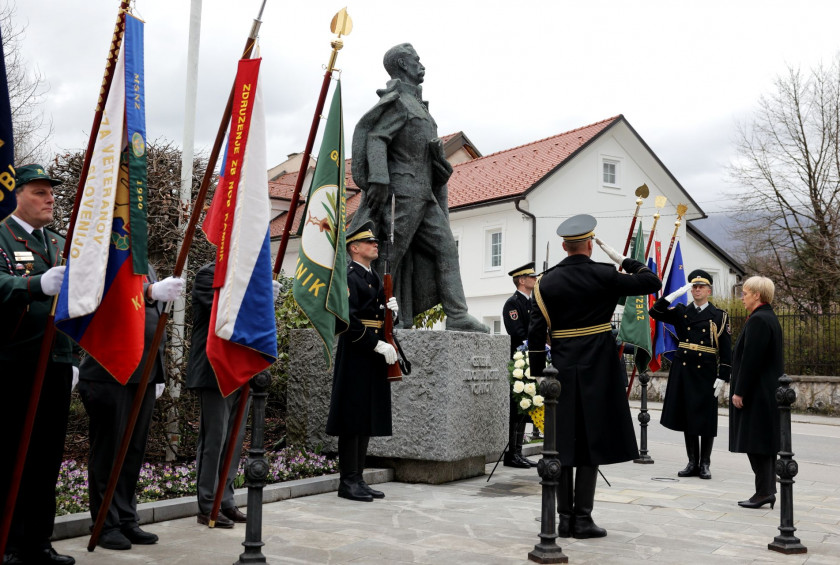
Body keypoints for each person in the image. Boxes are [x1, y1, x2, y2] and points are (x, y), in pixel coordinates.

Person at [528, 214, 661, 539]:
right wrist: (626, 260)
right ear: (589, 244)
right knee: (591, 441)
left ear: (563, 245)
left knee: (560, 444)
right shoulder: (605, 274)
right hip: (599, 366)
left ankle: (563, 519)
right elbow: (652, 282)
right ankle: (582, 518)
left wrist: (537, 375)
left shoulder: (545, 282)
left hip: (560, 369)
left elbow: (535, 330)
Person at [349, 43, 486, 332]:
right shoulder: (399, 101)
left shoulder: (419, 106)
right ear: (402, 64)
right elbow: (376, 137)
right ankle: (375, 312)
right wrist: (380, 179)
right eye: (416, 60)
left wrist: (439, 166)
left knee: (446, 248)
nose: (421, 64)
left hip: (424, 194)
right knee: (389, 255)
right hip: (402, 192)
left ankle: (458, 315)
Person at [77, 266, 184, 550]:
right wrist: (150, 291)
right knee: (109, 452)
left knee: (133, 451)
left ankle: (125, 517)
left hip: (144, 373)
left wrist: (157, 371)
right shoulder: (106, 252)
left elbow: (150, 319)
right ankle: (105, 523)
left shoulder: (143, 263)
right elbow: (105, 297)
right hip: (109, 371)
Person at [0, 164, 75, 565]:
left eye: (51, 193)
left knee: (47, 457)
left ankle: (38, 543)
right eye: (40, 192)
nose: (50, 199)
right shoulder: (1, 236)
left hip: (55, 362)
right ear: (17, 195)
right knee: (13, 454)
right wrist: (33, 284)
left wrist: (72, 356)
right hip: (14, 363)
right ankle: (8, 543)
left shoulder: (60, 243)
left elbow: (79, 304)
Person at [187, 262, 278, 528]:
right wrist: (259, 296)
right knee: (214, 440)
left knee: (235, 441)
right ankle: (207, 504)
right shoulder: (208, 274)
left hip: (241, 370)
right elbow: (224, 314)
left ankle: (225, 500)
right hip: (215, 370)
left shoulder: (247, 278)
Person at [326, 221, 399, 502]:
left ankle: (358, 477)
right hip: (357, 351)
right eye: (369, 242)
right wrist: (376, 343)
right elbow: (346, 319)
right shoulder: (348, 276)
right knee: (352, 417)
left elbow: (377, 314)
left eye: (375, 242)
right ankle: (348, 481)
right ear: (354, 248)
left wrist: (390, 308)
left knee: (366, 416)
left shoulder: (373, 277)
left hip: (371, 353)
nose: (375, 245)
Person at [649, 269, 731, 480]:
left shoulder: (719, 316)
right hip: (684, 369)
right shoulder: (681, 311)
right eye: (694, 286)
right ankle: (692, 461)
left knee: (705, 418)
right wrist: (675, 294)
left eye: (701, 286)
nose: (696, 290)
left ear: (709, 290)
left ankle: (705, 463)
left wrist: (723, 375)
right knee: (688, 417)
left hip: (706, 370)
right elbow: (655, 312)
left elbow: (726, 349)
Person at [729, 276, 783, 509]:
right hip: (764, 390)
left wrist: (740, 391)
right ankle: (766, 490)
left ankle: (763, 492)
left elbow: (751, 360)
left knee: (756, 443)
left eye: (745, 293)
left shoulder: (759, 320)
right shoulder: (767, 317)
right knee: (762, 442)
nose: (742, 297)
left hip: (757, 392)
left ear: (757, 295)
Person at [501, 262, 538, 468]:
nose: (534, 279)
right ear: (521, 280)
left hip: (531, 360)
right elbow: (517, 333)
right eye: (531, 277)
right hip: (519, 361)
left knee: (525, 406)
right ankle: (511, 454)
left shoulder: (532, 303)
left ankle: (519, 452)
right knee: (517, 408)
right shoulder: (512, 304)